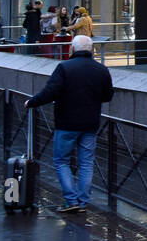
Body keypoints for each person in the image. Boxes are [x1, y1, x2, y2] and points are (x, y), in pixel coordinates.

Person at [25, 34, 115, 213]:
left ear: (73, 48)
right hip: (90, 122)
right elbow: (108, 95)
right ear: (91, 49)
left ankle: (70, 200)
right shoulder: (101, 69)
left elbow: (50, 92)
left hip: (66, 122)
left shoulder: (64, 67)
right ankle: (82, 202)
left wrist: (32, 102)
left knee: (61, 161)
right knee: (86, 162)